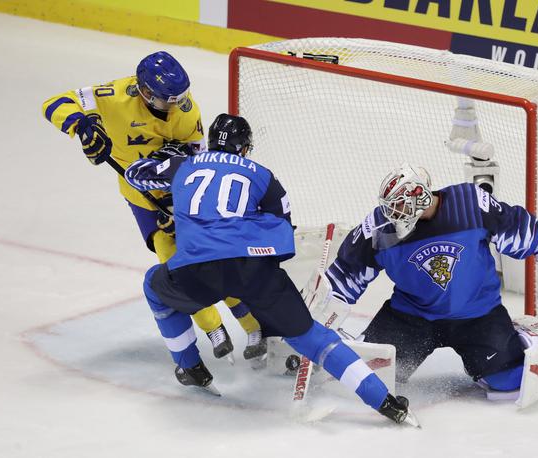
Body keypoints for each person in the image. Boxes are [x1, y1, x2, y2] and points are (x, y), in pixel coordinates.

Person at [123, 114, 418, 425]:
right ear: (245, 148)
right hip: (254, 271)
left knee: (154, 288)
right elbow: (283, 230)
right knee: (314, 338)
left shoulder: (184, 164)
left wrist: (168, 171)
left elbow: (134, 176)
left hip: (197, 269)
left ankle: (190, 368)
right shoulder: (264, 176)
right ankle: (387, 403)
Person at [41, 51, 264, 360]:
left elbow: (196, 168)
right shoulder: (115, 96)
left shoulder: (187, 113)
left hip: (181, 195)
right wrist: (83, 126)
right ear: (145, 92)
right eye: (167, 100)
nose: (175, 106)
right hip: (141, 199)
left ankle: (255, 326)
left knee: (213, 260)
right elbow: (55, 103)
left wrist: (178, 206)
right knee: (176, 263)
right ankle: (213, 328)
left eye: (180, 98)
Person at [324, 163, 538, 398]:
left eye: (398, 205)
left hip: (478, 314)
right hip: (411, 317)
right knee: (370, 380)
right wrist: (317, 321)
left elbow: (516, 227)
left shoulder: (468, 203)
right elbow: (347, 272)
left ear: (419, 196)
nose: (392, 213)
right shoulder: (380, 227)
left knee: (508, 382)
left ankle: (515, 336)